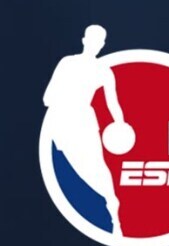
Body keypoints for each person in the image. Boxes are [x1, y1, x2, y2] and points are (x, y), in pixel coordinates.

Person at [43, 24, 126, 234]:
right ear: (85, 40)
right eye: (94, 40)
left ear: (102, 44)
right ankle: (109, 209)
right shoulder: (68, 63)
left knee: (97, 166)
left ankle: (113, 214)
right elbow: (47, 97)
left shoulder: (102, 71)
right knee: (77, 167)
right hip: (65, 121)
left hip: (82, 122)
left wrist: (121, 124)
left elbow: (113, 104)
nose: (96, 44)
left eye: (99, 41)